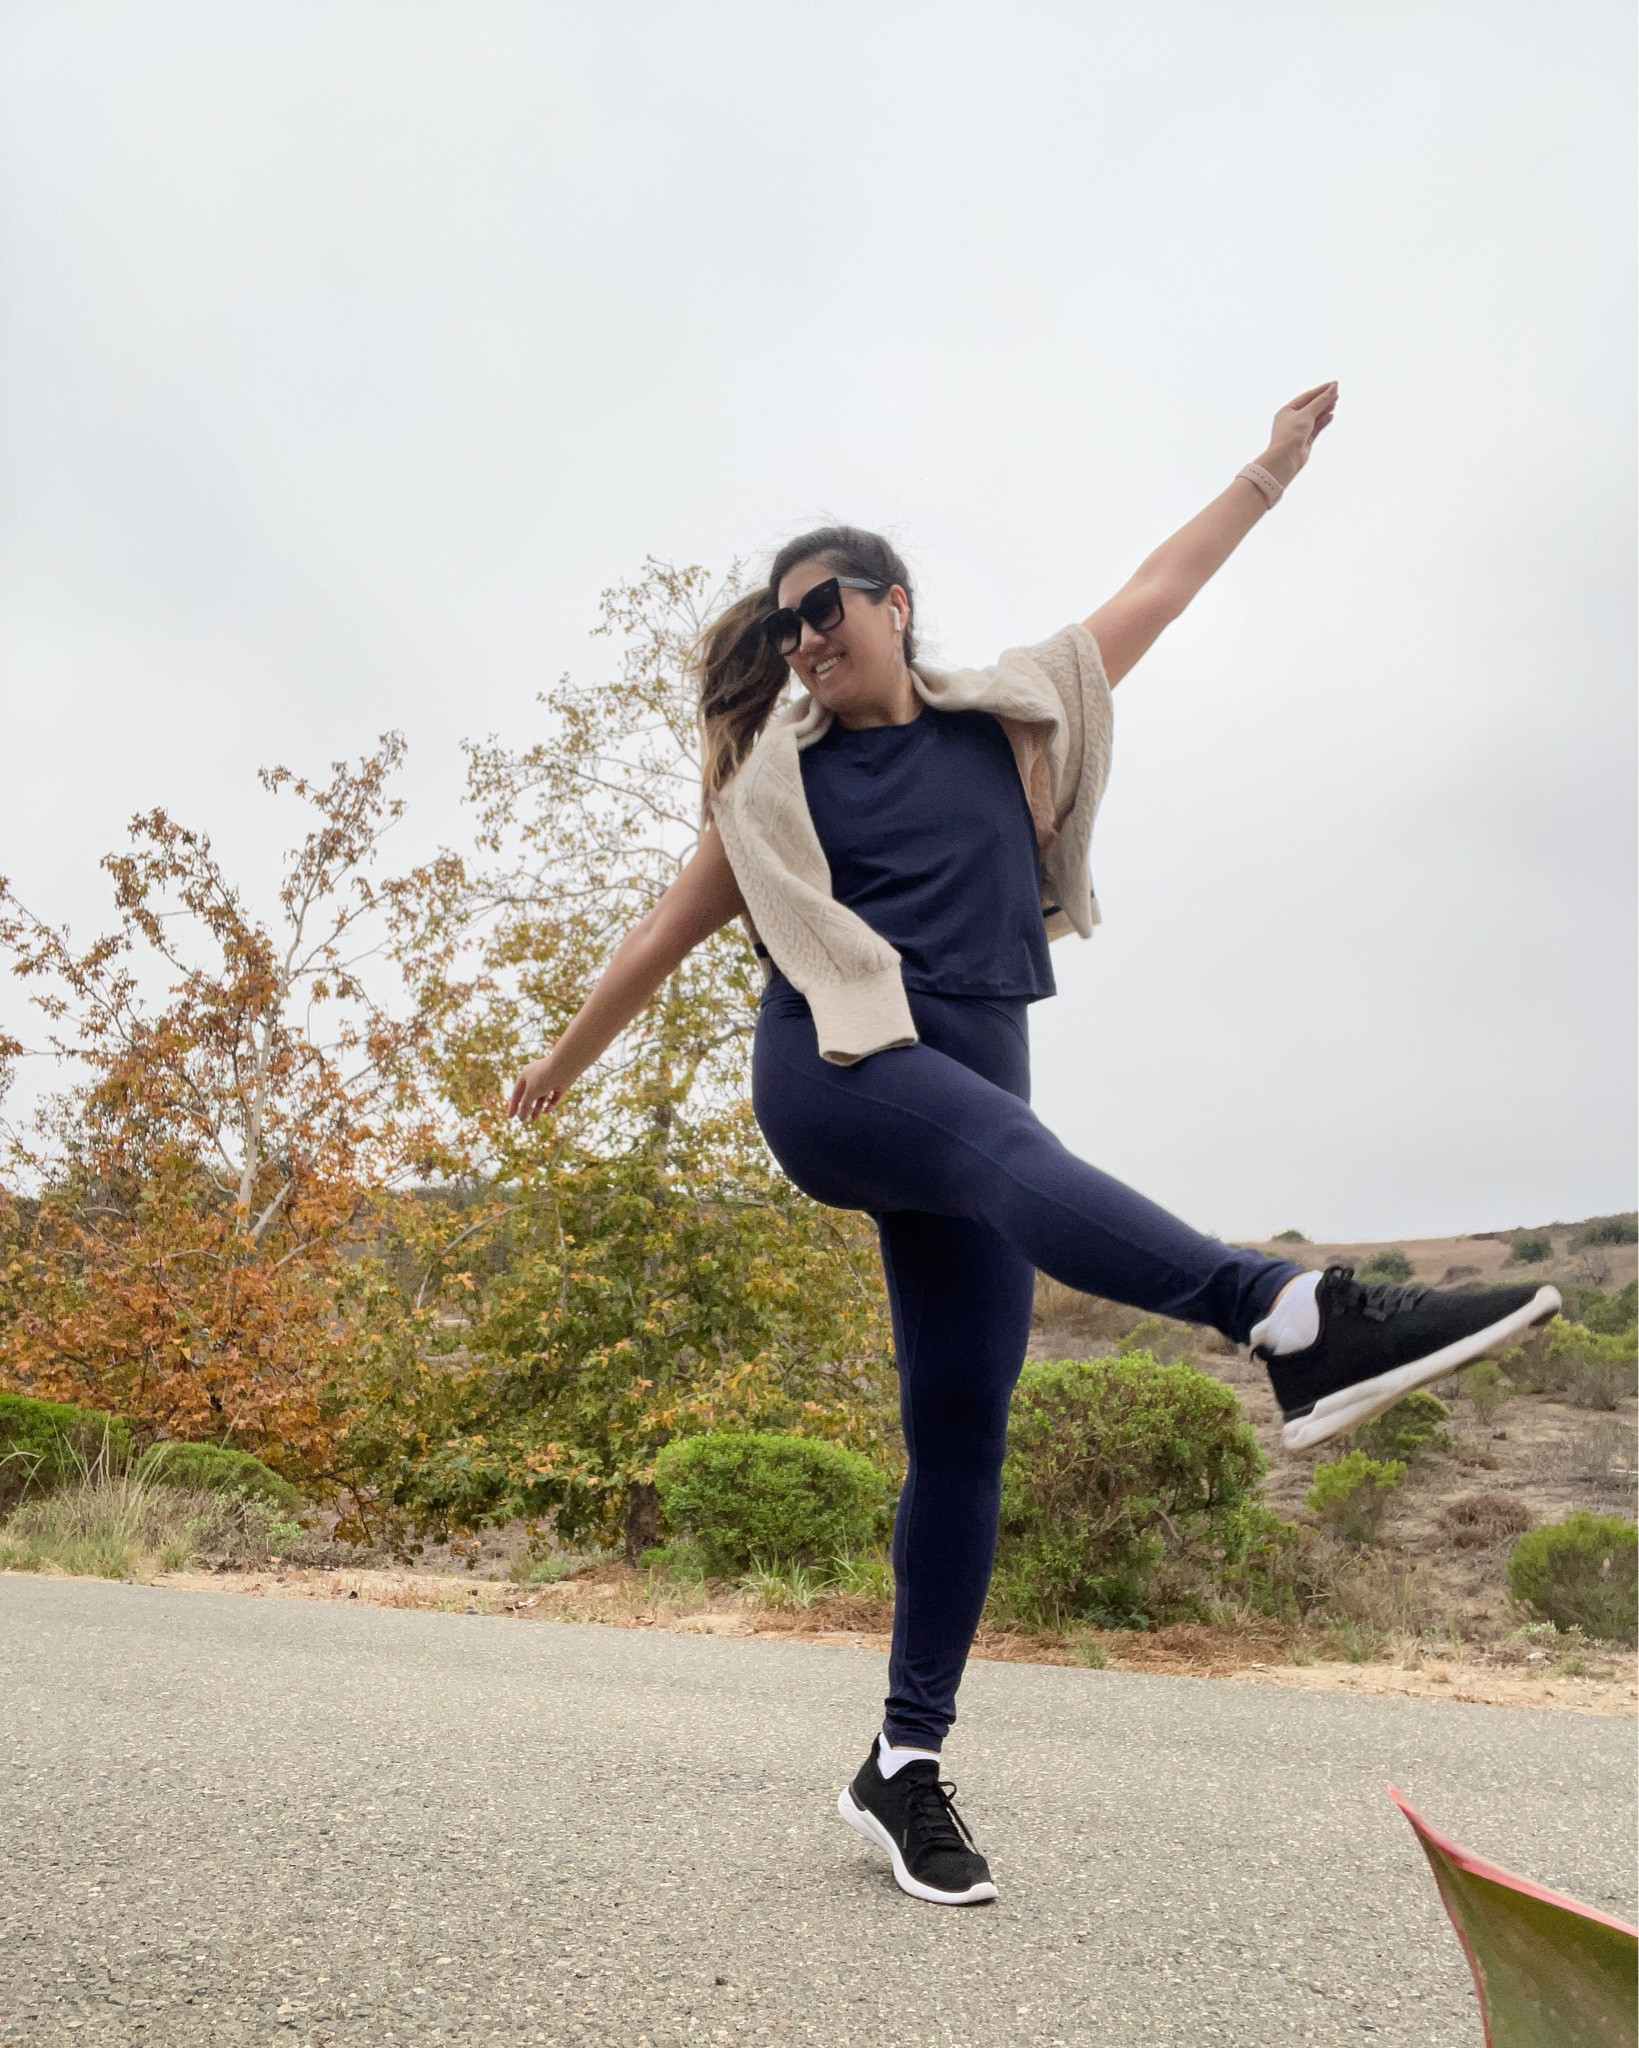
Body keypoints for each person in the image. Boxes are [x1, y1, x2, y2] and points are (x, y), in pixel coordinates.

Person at [508, 383, 1560, 1908]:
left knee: (963, 1424)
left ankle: (903, 1765)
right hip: (841, 1077)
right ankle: (1283, 1313)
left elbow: (1158, 593)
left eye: (824, 607)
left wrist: (1266, 474)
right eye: (783, 622)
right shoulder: (776, 787)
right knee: (1004, 1149)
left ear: (893, 602)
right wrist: (555, 1062)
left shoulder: (1017, 713)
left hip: (975, 1109)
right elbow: (656, 942)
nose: (803, 636)